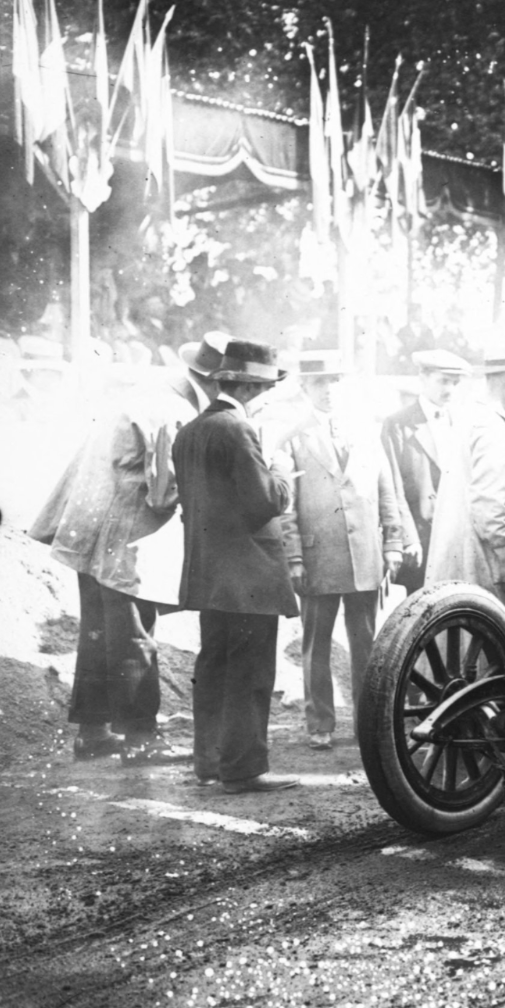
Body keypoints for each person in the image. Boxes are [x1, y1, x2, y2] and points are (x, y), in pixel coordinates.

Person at [27, 334, 223, 764]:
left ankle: (93, 733)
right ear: (216, 382)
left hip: (89, 531)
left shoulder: (149, 394)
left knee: (98, 633)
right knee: (135, 636)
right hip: (125, 536)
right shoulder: (176, 412)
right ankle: (141, 738)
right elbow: (162, 494)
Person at [171, 338, 300, 794]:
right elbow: (264, 502)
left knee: (214, 668)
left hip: (210, 576)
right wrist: (281, 474)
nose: (266, 399)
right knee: (249, 673)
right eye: (264, 391)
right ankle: (243, 770)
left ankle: (209, 763)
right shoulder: (238, 430)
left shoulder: (189, 432)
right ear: (248, 388)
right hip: (249, 578)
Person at [275, 351, 405, 749]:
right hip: (318, 558)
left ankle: (368, 721)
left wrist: (393, 543)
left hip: (365, 555)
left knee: (366, 643)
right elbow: (287, 507)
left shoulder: (366, 432)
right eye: (320, 382)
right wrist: (294, 557)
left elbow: (387, 491)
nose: (329, 389)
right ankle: (320, 723)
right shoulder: (293, 437)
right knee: (316, 644)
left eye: (335, 381)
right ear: (305, 387)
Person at [428, 347, 505, 625]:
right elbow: (488, 503)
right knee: (490, 640)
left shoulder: (472, 417)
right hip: (482, 565)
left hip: (461, 562)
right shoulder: (491, 427)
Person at [381, 349, 470, 593]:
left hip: (457, 539)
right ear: (423, 378)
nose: (450, 389)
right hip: (420, 541)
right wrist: (408, 538)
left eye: (455, 383)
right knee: (422, 607)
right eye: (443, 381)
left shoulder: (463, 421)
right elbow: (394, 488)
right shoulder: (398, 424)